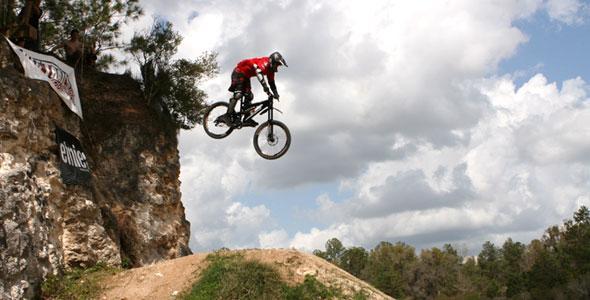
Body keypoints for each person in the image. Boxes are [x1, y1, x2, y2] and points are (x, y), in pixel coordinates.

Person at [221, 51, 288, 127]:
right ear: (272, 60)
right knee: (238, 94)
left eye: (278, 65)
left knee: (249, 96)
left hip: (246, 76)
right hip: (239, 72)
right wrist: (266, 89)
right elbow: (259, 74)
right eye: (277, 64)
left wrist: (276, 94)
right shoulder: (265, 63)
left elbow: (272, 83)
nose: (277, 67)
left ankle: (247, 117)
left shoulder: (270, 71)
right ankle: (227, 115)